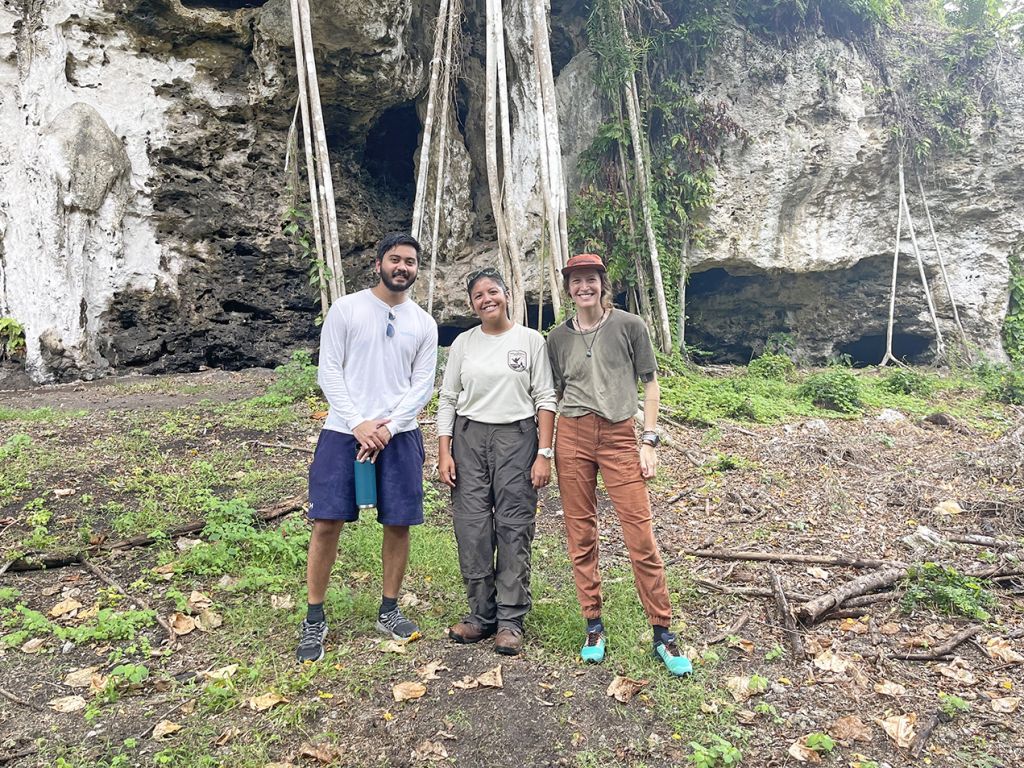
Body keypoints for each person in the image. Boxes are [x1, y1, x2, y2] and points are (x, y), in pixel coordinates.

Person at [546, 253, 691, 676]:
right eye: (575, 281)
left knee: (639, 532)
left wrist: (649, 440)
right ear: (568, 288)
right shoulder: (557, 339)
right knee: (580, 530)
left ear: (602, 284)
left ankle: (662, 632)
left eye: (591, 279)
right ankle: (593, 624)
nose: (583, 287)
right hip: (571, 434)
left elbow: (650, 384)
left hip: (618, 434)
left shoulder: (630, 326)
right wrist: (546, 448)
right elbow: (552, 396)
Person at [296, 233, 439, 663]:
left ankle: (389, 609)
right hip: (343, 431)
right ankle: (315, 615)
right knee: (327, 522)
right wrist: (359, 422)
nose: (402, 267)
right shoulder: (347, 309)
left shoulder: (424, 323)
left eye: (410, 262)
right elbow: (329, 370)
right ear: (378, 264)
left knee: (399, 522)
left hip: (400, 435)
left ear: (416, 270)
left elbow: (423, 384)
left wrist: (389, 427)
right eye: (395, 259)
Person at [436, 268, 556, 656]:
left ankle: (510, 619)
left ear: (507, 295)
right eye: (478, 296)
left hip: (517, 439)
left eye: (493, 292)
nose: (486, 299)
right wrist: (443, 450)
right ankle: (480, 615)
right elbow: (449, 399)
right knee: (471, 527)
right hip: (469, 440)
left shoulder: (530, 340)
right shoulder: (463, 344)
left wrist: (544, 453)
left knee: (513, 526)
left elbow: (545, 398)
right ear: (471, 305)